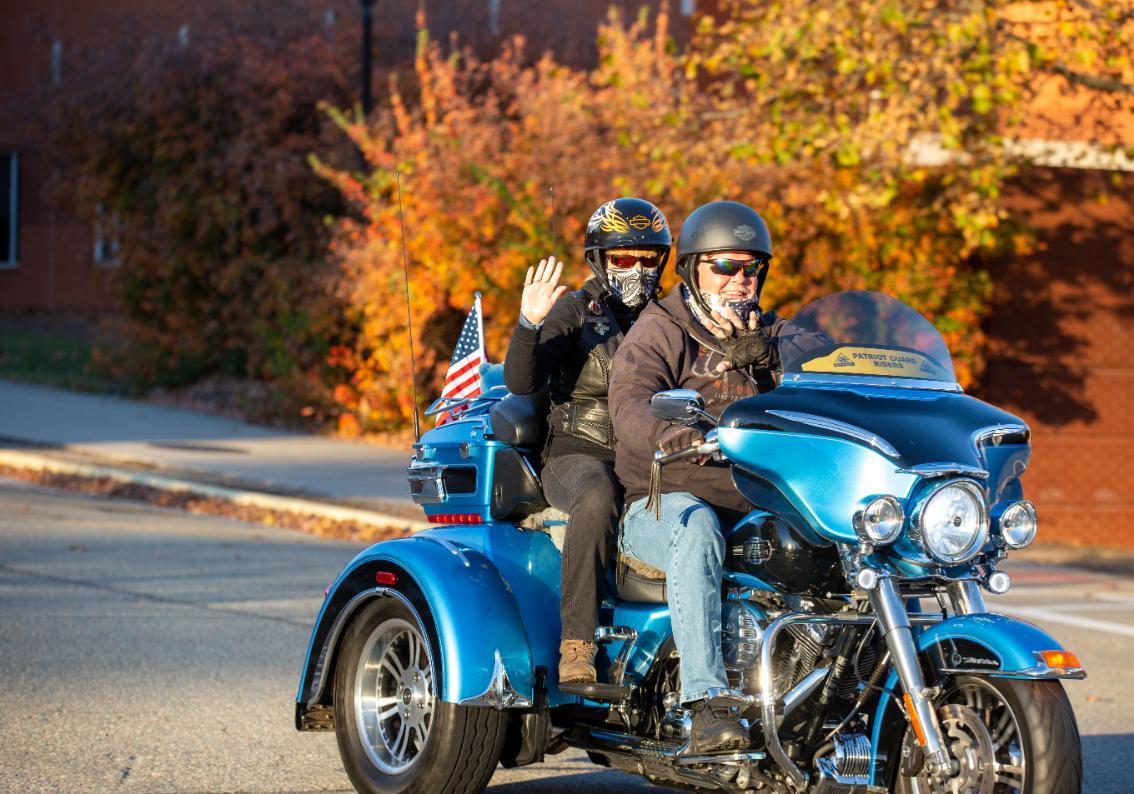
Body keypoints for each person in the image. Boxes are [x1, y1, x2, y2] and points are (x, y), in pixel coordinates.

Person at [608, 200, 790, 753]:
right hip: (663, 501)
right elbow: (631, 404)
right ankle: (706, 705)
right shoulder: (660, 330)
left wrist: (772, 360)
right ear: (692, 269)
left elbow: (825, 379)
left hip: (758, 499)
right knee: (697, 528)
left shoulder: (774, 334)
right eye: (725, 267)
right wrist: (675, 436)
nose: (741, 280)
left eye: (751, 268)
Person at [504, 197, 672, 685]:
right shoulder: (575, 311)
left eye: (647, 259)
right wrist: (529, 324)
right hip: (578, 452)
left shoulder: (670, 317)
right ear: (600, 259)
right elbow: (520, 379)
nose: (636, 270)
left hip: (649, 453)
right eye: (623, 259)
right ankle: (577, 644)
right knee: (597, 494)